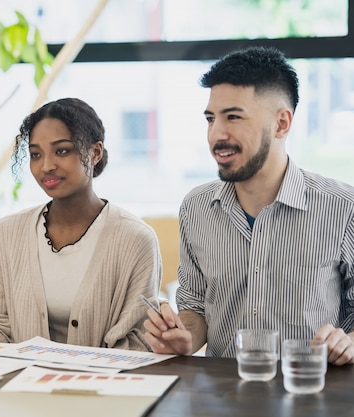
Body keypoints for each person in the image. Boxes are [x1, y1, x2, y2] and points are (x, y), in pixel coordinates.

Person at [143, 46, 354, 365]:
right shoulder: (196, 208)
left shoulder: (342, 207)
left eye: (233, 117)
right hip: (221, 398)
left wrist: (348, 341)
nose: (216, 134)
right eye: (211, 119)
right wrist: (184, 337)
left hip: (312, 392)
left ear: (281, 124)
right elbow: (195, 308)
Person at [0, 97, 162, 350]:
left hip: (106, 387)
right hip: (19, 384)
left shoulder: (135, 239)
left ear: (95, 152)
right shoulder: (8, 233)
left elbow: (139, 343)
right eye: (35, 154)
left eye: (62, 150)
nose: (47, 166)